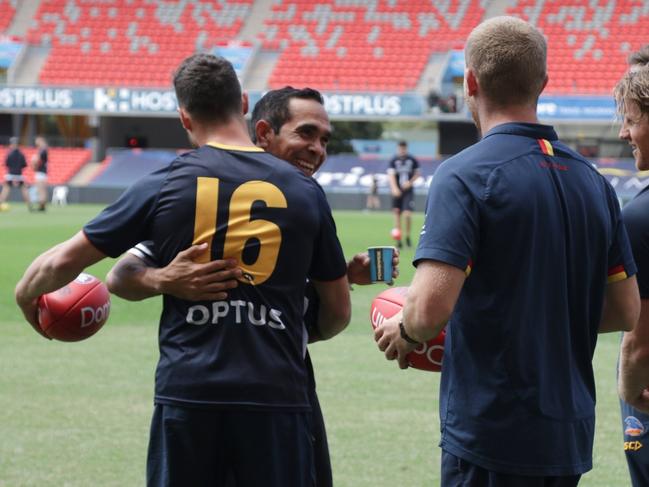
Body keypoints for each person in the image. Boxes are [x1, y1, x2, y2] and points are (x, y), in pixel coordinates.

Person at [15, 54, 352, 487]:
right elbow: (338, 313)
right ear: (244, 104)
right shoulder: (306, 192)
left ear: (184, 117)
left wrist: (27, 299)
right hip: (276, 393)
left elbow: (61, 263)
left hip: (190, 390)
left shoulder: (165, 184)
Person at [374, 16, 640, 486]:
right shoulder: (594, 183)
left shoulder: (465, 174)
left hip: (491, 430)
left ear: (470, 81)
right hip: (568, 432)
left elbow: (430, 309)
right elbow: (624, 309)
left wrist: (407, 330)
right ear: (543, 83)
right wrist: (544, 313)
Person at [106, 86, 399, 487]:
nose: (317, 149)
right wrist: (164, 278)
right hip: (263, 393)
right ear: (263, 133)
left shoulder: (301, 201)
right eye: (305, 134)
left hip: (222, 390)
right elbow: (121, 272)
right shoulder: (209, 193)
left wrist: (344, 277)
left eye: (324, 139)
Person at [616, 61, 649, 487]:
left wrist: (629, 391)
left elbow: (640, 346)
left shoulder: (640, 216)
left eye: (631, 120)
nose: (624, 133)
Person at [387, 140, 420, 248]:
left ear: (406, 148)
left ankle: (407, 236)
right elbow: (391, 176)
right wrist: (394, 188)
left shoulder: (412, 159)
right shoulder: (393, 160)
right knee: (397, 214)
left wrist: (410, 183)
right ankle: (398, 239)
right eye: (400, 148)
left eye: (403, 148)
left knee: (407, 214)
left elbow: (417, 174)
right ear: (398, 148)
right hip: (397, 191)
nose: (402, 150)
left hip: (408, 191)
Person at [0, 137, 30, 211]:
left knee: (5, 190)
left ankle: (1, 203)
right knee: (24, 190)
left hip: (10, 175)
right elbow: (24, 164)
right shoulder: (21, 154)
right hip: (19, 175)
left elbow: (6, 164)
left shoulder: (9, 154)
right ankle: (30, 206)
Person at [31, 135, 48, 212]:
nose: (36, 142)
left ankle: (42, 206)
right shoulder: (44, 150)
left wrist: (33, 162)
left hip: (41, 172)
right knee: (42, 190)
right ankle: (42, 205)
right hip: (43, 172)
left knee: (40, 189)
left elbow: (36, 160)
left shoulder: (42, 150)